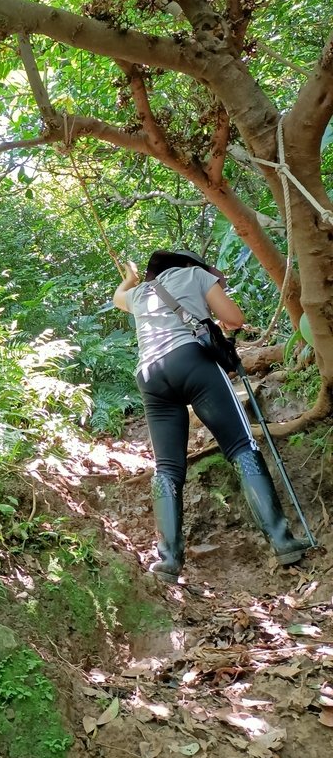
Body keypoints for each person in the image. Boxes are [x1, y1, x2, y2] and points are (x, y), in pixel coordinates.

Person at [113, 248, 307, 582]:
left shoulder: (140, 293)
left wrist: (129, 279)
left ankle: (169, 561)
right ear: (188, 265)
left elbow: (119, 297)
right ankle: (282, 540)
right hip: (192, 362)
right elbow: (235, 318)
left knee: (168, 467)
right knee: (241, 446)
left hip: (150, 376)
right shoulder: (195, 275)